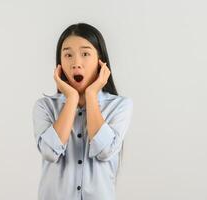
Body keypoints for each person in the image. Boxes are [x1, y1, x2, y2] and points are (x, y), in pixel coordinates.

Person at [32, 22, 133, 200]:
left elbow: (105, 150)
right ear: (60, 62)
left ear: (101, 61)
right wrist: (71, 99)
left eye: (85, 54)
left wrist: (91, 95)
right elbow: (49, 152)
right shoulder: (45, 106)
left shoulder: (120, 106)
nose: (76, 63)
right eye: (68, 55)